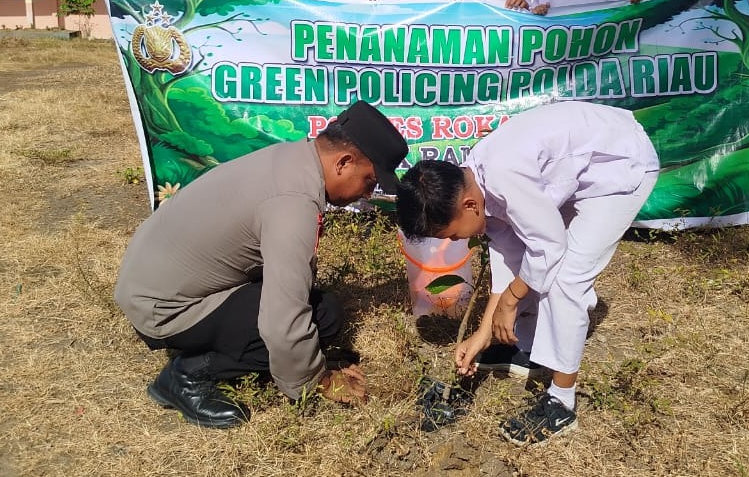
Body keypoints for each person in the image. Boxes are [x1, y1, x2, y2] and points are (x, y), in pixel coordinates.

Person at [114, 101, 409, 429]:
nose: (366, 194)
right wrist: (319, 380)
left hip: (152, 281)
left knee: (322, 312)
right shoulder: (293, 204)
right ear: (344, 162)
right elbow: (282, 324)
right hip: (162, 308)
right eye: (368, 181)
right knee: (314, 318)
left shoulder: (292, 159)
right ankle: (186, 376)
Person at [396, 102, 660, 446]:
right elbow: (511, 258)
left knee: (567, 278)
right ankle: (529, 348)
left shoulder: (504, 177)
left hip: (622, 164)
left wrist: (513, 298)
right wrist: (483, 333)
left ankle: (561, 404)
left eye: (452, 234)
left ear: (469, 207)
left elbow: (548, 246)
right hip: (584, 167)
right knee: (533, 268)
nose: (457, 241)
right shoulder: (475, 182)